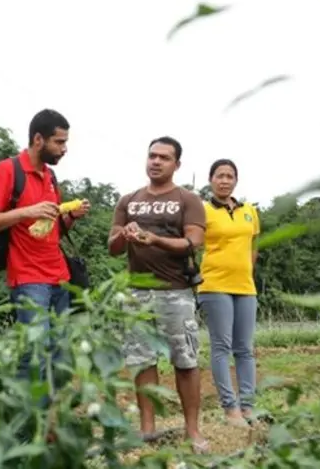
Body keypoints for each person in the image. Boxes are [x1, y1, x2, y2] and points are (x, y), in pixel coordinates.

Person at [0, 109, 89, 392]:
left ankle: (51, 424)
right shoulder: (8, 170)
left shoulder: (50, 177)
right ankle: (26, 426)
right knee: (34, 353)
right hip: (28, 277)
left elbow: (51, 231)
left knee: (61, 356)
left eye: (65, 142)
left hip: (59, 276)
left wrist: (70, 217)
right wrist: (27, 210)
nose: (64, 149)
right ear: (38, 139)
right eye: (59, 142)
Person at [107, 136, 208, 453]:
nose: (156, 161)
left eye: (164, 157)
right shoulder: (129, 200)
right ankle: (147, 429)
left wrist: (155, 239)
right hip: (137, 293)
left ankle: (193, 431)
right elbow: (112, 248)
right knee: (141, 361)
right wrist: (124, 237)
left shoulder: (187, 199)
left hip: (176, 292)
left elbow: (193, 241)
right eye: (152, 156)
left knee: (186, 362)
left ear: (176, 164)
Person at [198, 159, 260, 427]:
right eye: (219, 176)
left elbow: (254, 244)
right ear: (211, 180)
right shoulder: (202, 211)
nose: (224, 180)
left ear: (236, 180)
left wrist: (247, 269)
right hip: (214, 285)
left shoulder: (250, 211)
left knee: (245, 349)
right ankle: (230, 409)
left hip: (245, 286)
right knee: (222, 346)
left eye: (229, 176)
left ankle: (248, 406)